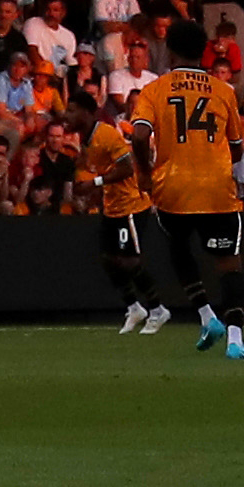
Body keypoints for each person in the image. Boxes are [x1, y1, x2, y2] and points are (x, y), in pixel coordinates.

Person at [135, 15, 244, 360]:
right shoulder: (223, 91)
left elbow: (140, 134)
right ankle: (235, 339)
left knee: (177, 243)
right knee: (230, 264)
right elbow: (236, 148)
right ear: (204, 51)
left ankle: (206, 315)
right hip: (216, 188)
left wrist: (145, 173)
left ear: (169, 52)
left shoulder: (154, 90)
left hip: (172, 186)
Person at [80, 102, 165, 333]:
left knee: (129, 261)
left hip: (131, 205)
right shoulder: (85, 139)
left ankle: (157, 309)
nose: (66, 117)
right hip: (112, 205)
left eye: (71, 111)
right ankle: (134, 306)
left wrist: (95, 183)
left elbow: (127, 168)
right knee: (108, 258)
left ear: (86, 113)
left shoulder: (106, 134)